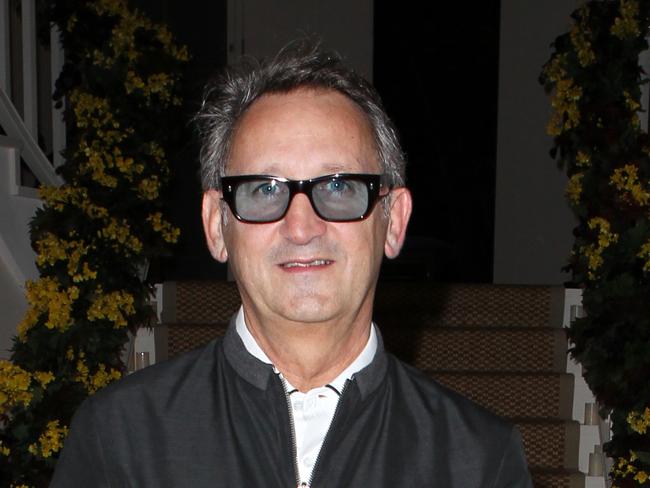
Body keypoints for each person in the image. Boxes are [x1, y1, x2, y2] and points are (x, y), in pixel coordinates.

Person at [51, 41, 533, 487]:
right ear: (217, 226)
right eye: (265, 190)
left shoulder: (479, 460)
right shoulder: (120, 438)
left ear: (393, 221)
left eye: (339, 187)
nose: (301, 227)